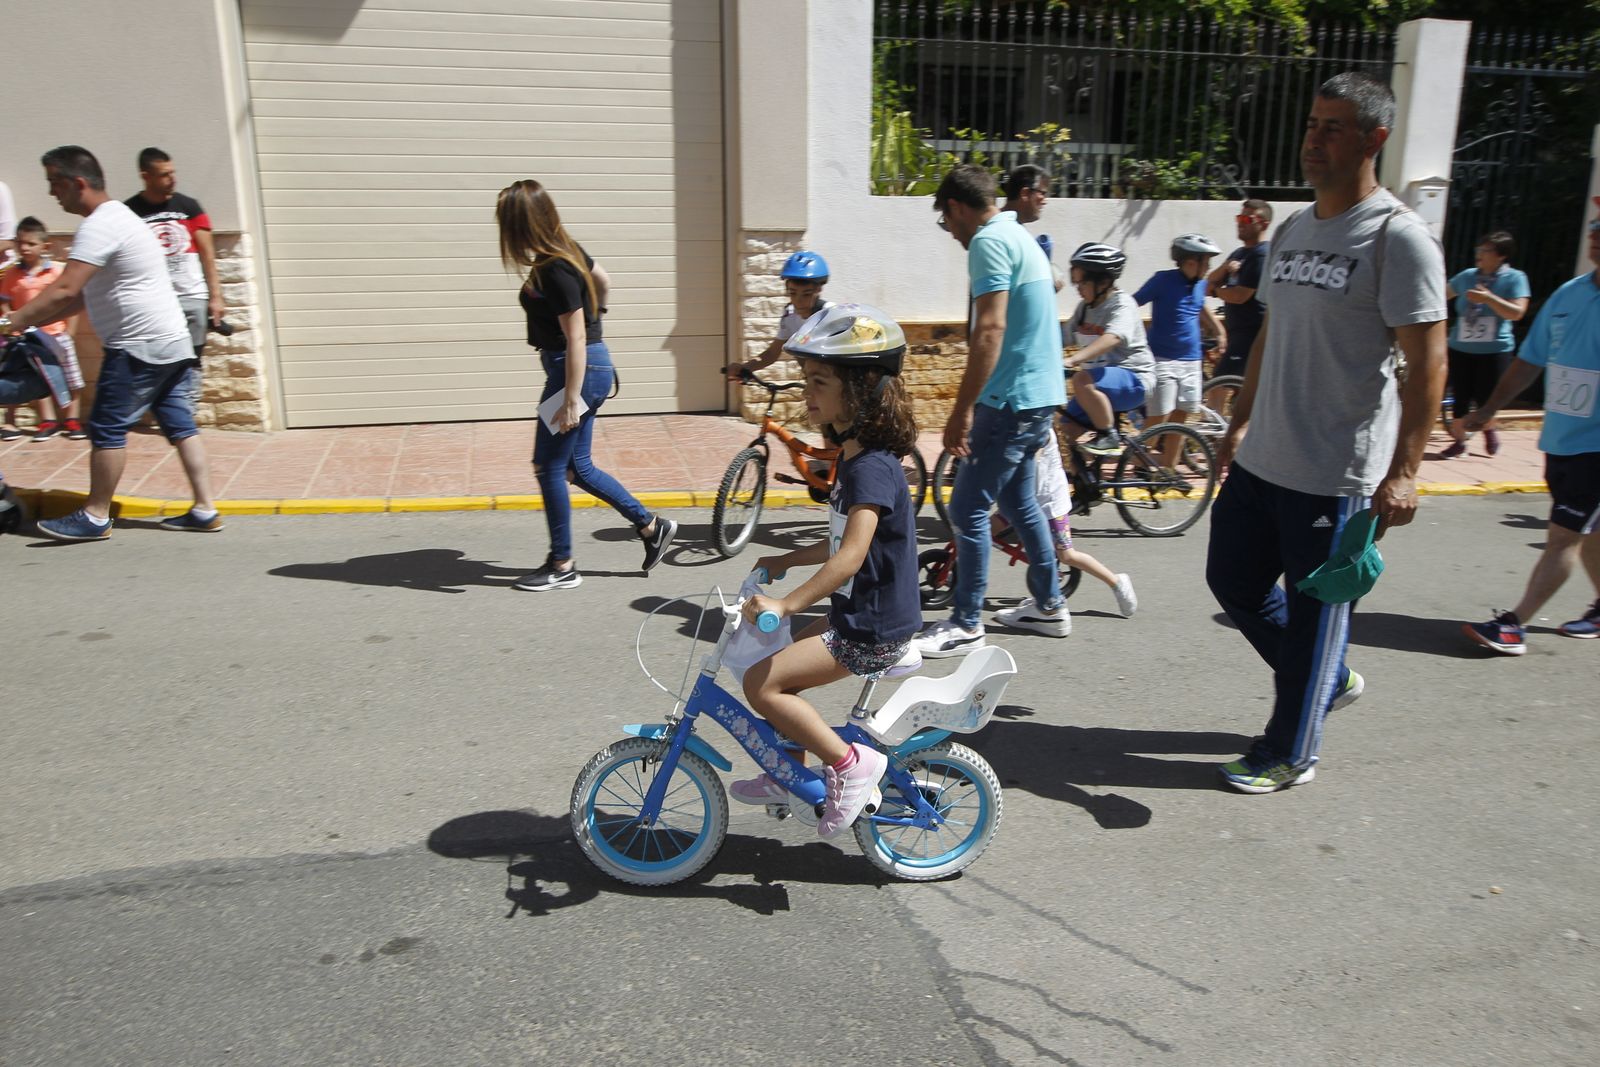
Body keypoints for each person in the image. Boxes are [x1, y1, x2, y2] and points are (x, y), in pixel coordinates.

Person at [1207, 73, 1447, 794]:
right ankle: (1326, 677)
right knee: (1234, 581)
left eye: (1333, 126)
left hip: (1337, 472)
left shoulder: (1397, 238)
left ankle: (1290, 748)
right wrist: (1240, 418)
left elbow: (1429, 360)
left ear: (1375, 138)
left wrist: (1405, 469)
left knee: (1315, 615)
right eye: (1312, 123)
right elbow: (1274, 331)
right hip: (1265, 456)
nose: (1315, 138)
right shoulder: (1293, 227)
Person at [734, 303, 921, 836]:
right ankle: (786, 771)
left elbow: (852, 556)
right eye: (806, 380)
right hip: (858, 614)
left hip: (871, 626)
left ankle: (849, 765)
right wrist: (783, 559)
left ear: (859, 391)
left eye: (819, 381)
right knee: (774, 658)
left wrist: (788, 603)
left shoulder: (872, 470)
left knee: (762, 684)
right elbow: (839, 537)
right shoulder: (856, 458)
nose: (807, 392)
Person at [1, 146, 223, 541]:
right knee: (181, 425)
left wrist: (11, 320)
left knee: (106, 428)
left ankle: (96, 515)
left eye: (55, 182)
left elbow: (65, 286)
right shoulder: (122, 216)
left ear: (78, 183)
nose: (52, 193)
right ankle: (205, 509)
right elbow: (81, 297)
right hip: (172, 342)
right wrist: (26, 325)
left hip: (138, 346)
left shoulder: (100, 225)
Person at [913, 164, 1066, 657]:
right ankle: (1048, 605)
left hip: (1010, 398)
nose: (950, 232)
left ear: (957, 208)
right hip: (1039, 395)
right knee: (1021, 503)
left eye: (946, 221)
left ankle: (964, 621)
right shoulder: (1019, 236)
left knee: (967, 507)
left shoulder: (987, 242)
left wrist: (962, 411)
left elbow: (991, 330)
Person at [496, 178, 676, 590]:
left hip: (574, 370)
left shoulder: (554, 267)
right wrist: (600, 314)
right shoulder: (567, 251)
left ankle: (562, 565)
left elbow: (576, 336)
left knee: (548, 467)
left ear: (523, 223)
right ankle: (651, 526)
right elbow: (604, 280)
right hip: (583, 367)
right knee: (578, 467)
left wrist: (571, 399)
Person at [1461, 207, 1600, 652]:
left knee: (1563, 535)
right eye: (1594, 228)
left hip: (1596, 448)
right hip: (1560, 439)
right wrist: (1490, 409)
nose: (1595, 235)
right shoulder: (1570, 294)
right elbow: (1529, 360)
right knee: (1591, 533)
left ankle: (1513, 624)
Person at [1024, 426, 1138, 624]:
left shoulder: (1040, 432)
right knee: (993, 529)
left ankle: (1117, 582)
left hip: (1051, 505)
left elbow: (1030, 467)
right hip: (1030, 501)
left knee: (1067, 555)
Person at [1133, 233, 1226, 466]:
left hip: (1191, 361)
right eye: (1206, 262)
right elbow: (1133, 303)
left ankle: (1169, 468)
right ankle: (1138, 462)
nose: (1208, 267)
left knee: (1182, 415)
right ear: (1190, 262)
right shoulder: (1162, 280)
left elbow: (1200, 307)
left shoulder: (1200, 285)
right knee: (1159, 415)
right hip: (1162, 359)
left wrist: (1220, 331)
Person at [1058, 243, 1156, 456]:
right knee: (1066, 429)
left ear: (1102, 281)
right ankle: (1086, 485)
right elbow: (1061, 338)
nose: (1078, 288)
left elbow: (1112, 338)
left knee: (1081, 380)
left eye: (1082, 282)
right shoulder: (1084, 309)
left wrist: (1071, 361)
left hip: (1135, 379)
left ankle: (1108, 436)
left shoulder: (1122, 305)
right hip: (1101, 384)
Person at [1439, 231, 1531, 458]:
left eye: (1486, 250)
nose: (1479, 254)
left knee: (1486, 398)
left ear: (1501, 256)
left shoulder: (1515, 278)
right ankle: (1460, 442)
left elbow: (1517, 313)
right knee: (1460, 396)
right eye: (1479, 249)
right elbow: (1440, 295)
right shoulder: (1467, 276)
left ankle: (1489, 430)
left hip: (1494, 350)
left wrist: (1489, 299)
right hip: (1460, 347)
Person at [125, 148, 224, 355]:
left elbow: (208, 256)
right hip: (154, 301)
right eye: (164, 175)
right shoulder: (129, 212)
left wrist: (216, 297)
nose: (172, 179)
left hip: (191, 296)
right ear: (145, 177)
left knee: (192, 362)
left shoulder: (189, 207)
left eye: (173, 172)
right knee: (162, 360)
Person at [1, 217, 86, 440]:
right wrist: (11, 320)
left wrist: (71, 332)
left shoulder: (55, 273)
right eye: (21, 243)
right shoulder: (12, 273)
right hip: (28, 339)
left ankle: (72, 419)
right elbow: (5, 300)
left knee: (71, 378)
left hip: (56, 334)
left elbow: (70, 301)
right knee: (39, 379)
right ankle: (48, 420)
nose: (25, 248)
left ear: (45, 246)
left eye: (30, 243)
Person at [725, 250, 832, 380]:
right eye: (792, 293)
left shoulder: (831, 315)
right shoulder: (790, 317)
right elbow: (772, 353)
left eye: (807, 294)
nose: (798, 301)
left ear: (818, 290)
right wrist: (744, 368)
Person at [1207, 200, 1274, 382]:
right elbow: (1208, 283)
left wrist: (1216, 292)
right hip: (1236, 332)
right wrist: (1226, 267)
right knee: (1234, 386)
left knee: (1220, 384)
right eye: (1239, 217)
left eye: (1247, 218)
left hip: (1251, 334)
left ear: (1263, 224)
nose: (1241, 222)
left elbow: (1240, 296)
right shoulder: (1239, 253)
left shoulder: (1261, 255)